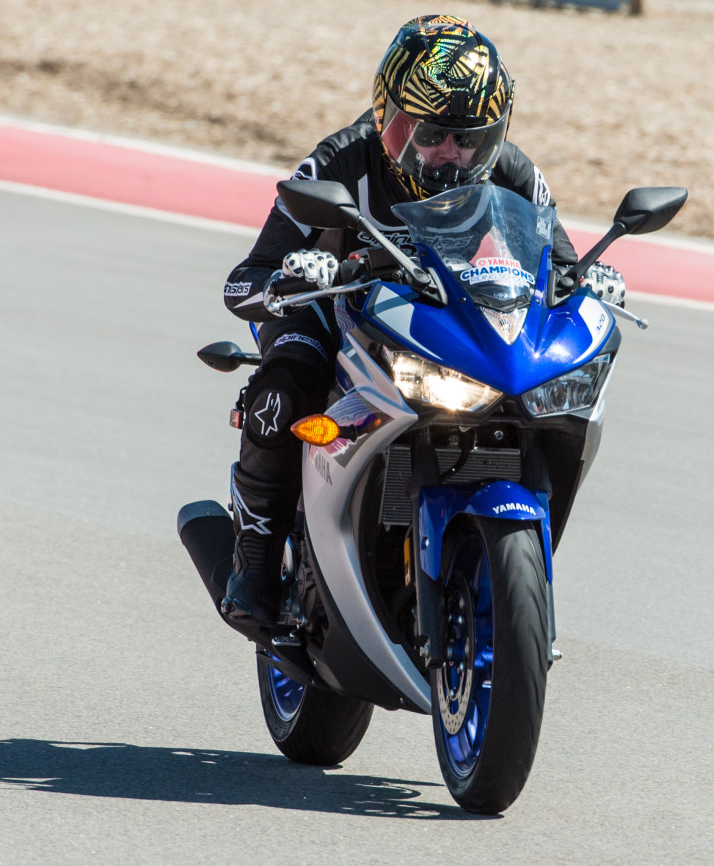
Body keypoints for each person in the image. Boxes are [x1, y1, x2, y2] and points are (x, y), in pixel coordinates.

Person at [219, 14, 624, 623]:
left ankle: (508, 573)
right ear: (388, 115)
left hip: (442, 318)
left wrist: (590, 281)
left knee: (544, 396)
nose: (450, 155)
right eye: (431, 134)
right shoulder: (340, 160)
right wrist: (296, 277)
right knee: (284, 388)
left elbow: (560, 265)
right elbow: (244, 280)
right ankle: (252, 566)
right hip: (334, 310)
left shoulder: (513, 171)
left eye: (471, 139)